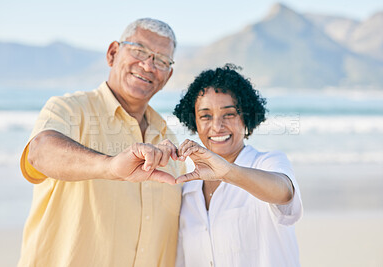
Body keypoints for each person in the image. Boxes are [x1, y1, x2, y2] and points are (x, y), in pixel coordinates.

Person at [18, 18, 186, 267]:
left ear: (168, 75)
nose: (148, 65)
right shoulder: (69, 109)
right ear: (113, 53)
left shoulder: (169, 140)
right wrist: (109, 166)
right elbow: (39, 152)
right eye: (139, 50)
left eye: (161, 60)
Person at [173, 64, 303, 267]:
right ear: (194, 122)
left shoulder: (268, 163)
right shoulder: (188, 190)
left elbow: (285, 192)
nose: (217, 126)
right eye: (206, 116)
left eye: (229, 114)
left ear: (247, 117)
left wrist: (228, 172)